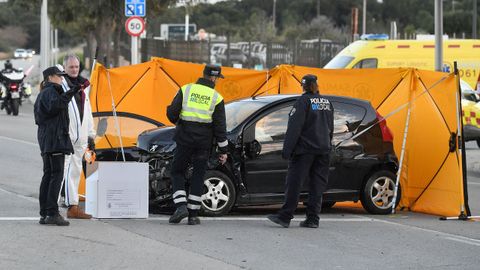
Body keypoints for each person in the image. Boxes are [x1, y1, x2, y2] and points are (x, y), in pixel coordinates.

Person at [267, 74, 334, 228]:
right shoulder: (327, 102)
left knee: (294, 183)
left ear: (303, 86)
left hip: (304, 150)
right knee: (317, 185)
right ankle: (313, 219)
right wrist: (327, 144)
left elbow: (294, 128)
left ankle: (285, 216)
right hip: (323, 150)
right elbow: (330, 127)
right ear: (316, 85)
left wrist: (287, 150)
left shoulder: (303, 102)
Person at [166, 64, 228, 225]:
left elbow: (172, 114)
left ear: (204, 74)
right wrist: (223, 150)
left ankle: (180, 207)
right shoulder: (217, 97)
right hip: (203, 143)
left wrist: (179, 121)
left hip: (184, 140)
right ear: (214, 78)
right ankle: (193, 215)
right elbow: (220, 127)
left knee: (177, 172)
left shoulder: (186, 89)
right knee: (198, 176)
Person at [34, 66, 81, 226]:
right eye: (58, 76)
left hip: (49, 140)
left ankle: (45, 213)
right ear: (49, 78)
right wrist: (70, 93)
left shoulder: (46, 93)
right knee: (56, 176)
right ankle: (52, 213)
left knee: (49, 175)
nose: (61, 79)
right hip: (54, 140)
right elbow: (56, 107)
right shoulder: (50, 92)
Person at [60, 54, 96, 219]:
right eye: (71, 67)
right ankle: (59, 205)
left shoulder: (83, 85)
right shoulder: (61, 86)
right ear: (65, 68)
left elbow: (87, 112)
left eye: (76, 67)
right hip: (67, 137)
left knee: (74, 171)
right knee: (63, 171)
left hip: (80, 137)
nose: (74, 70)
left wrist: (90, 135)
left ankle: (72, 205)